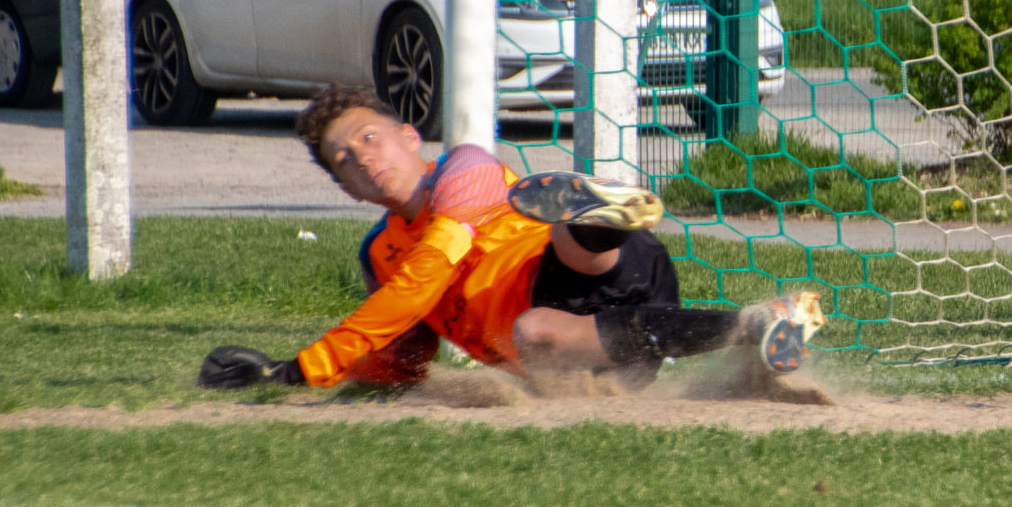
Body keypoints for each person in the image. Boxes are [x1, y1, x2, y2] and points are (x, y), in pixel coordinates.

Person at [198, 86, 814, 393]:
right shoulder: (380, 254)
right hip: (584, 351)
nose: (362, 158)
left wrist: (301, 368)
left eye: (368, 137)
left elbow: (425, 279)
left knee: (566, 247)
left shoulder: (464, 169)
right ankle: (756, 325)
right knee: (536, 331)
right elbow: (401, 361)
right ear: (347, 189)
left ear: (409, 137)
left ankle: (596, 217)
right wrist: (290, 375)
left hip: (583, 267)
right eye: (344, 160)